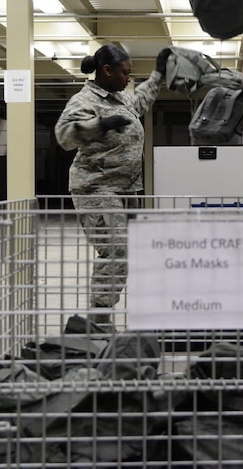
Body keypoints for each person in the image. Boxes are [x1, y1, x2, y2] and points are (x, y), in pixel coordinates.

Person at [54, 43, 168, 330]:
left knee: (126, 253)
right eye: (125, 73)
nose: (129, 78)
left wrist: (158, 74)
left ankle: (101, 319)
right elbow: (64, 135)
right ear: (107, 70)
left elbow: (140, 101)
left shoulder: (121, 98)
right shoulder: (84, 101)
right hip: (96, 188)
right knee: (116, 251)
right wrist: (99, 124)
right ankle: (100, 323)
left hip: (126, 189)